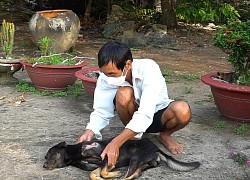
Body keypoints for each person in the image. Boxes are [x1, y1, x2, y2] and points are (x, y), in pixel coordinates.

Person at [78, 41, 191, 167]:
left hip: (157, 114)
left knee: (182, 110)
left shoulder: (149, 68)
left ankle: (165, 135)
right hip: (131, 117)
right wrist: (90, 130)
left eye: (112, 74)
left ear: (128, 64)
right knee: (124, 93)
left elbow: (145, 113)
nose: (107, 78)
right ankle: (134, 137)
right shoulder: (105, 77)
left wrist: (116, 142)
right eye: (105, 73)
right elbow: (101, 110)